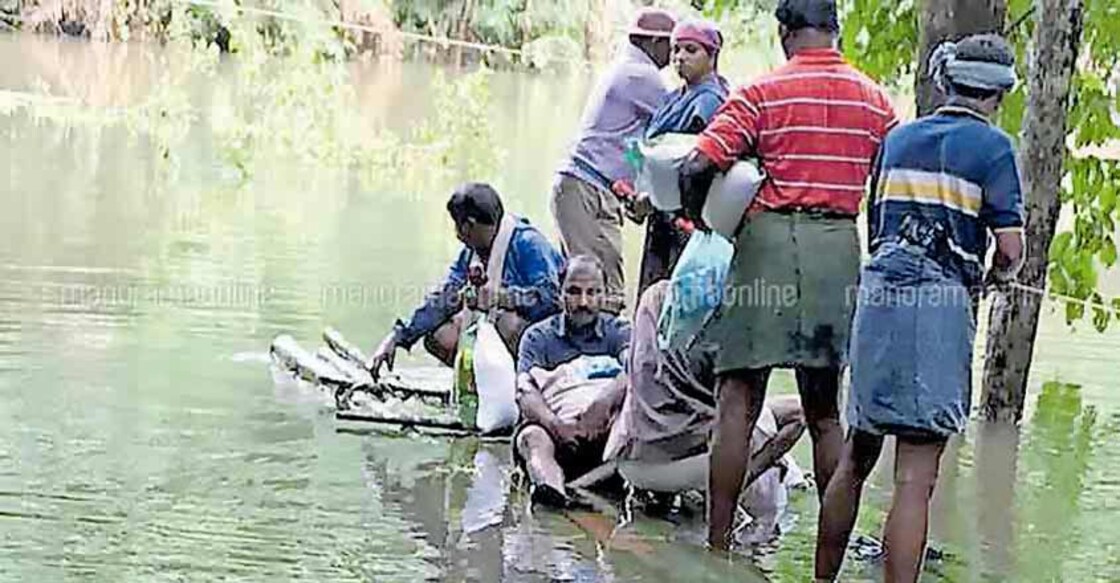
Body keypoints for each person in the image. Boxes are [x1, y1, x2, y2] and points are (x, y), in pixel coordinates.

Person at [676, 0, 899, 550]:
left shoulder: (760, 92)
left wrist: (701, 223)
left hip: (766, 244)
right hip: (837, 250)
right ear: (836, 33)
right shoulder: (876, 102)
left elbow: (697, 164)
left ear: (784, 33)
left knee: (739, 401)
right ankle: (833, 552)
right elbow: (891, 181)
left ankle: (718, 546)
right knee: (825, 414)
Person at [815, 34, 1024, 583]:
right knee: (914, 479)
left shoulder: (898, 138)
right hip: (940, 307)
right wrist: (997, 278)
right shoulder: (995, 149)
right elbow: (1009, 248)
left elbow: (877, 227)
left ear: (948, 81)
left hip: (879, 298)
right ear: (998, 95)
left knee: (856, 456)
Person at [611, 279, 807, 544]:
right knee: (797, 413)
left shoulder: (651, 298)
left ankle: (678, 494)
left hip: (629, 461)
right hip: (686, 464)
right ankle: (736, 490)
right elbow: (740, 406)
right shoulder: (719, 312)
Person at [367, 183, 564, 379]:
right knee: (440, 335)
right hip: (496, 334)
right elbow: (445, 297)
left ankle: (521, 386)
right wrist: (398, 336)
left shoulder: (529, 244)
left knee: (507, 324)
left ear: (468, 225)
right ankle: (477, 383)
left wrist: (505, 298)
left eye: (457, 225)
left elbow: (552, 300)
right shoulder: (472, 250)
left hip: (551, 341)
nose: (457, 234)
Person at [551, 8, 676, 311]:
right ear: (655, 43)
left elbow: (631, 144)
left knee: (586, 294)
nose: (674, 56)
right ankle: (599, 358)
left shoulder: (625, 68)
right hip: (587, 189)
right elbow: (678, 124)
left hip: (583, 187)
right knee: (600, 295)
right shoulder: (642, 76)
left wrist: (636, 189)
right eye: (672, 47)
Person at [514, 255, 632, 506]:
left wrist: (603, 403)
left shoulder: (619, 332)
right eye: (574, 292)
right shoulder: (537, 337)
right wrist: (555, 425)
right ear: (560, 294)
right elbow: (525, 391)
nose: (583, 302)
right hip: (556, 434)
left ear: (604, 295)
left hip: (607, 434)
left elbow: (635, 370)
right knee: (532, 437)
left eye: (592, 292)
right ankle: (551, 491)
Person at [627, 18, 731, 295]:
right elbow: (647, 150)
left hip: (687, 220)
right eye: (675, 50)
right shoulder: (673, 98)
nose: (680, 57)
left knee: (677, 298)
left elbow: (701, 164)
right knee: (651, 297)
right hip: (658, 212)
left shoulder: (711, 100)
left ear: (712, 56)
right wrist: (640, 190)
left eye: (691, 50)